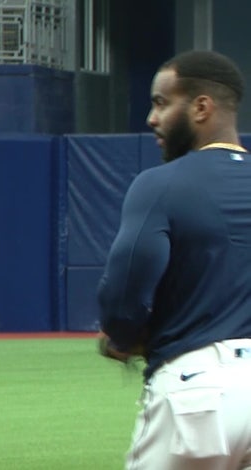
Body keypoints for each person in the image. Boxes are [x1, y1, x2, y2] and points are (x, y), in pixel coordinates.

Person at [98, 50, 251, 469]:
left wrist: (123, 337)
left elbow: (125, 288)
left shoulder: (160, 185)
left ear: (202, 107)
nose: (152, 117)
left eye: (163, 102)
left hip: (198, 389)